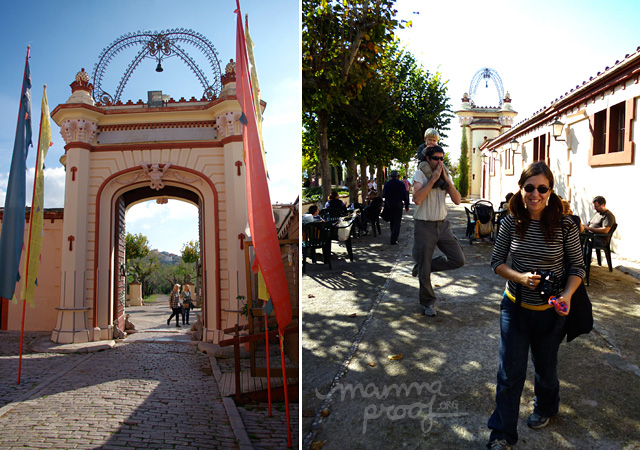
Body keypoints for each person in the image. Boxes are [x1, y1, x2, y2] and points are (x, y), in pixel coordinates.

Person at [487, 162, 586, 450]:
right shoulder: (510, 221)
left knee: (546, 368)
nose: (535, 194)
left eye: (542, 188)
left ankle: (545, 406)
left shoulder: (565, 224)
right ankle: (502, 435)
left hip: (550, 313)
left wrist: (566, 295)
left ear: (550, 191)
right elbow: (497, 263)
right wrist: (520, 277)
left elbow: (577, 268)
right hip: (515, 308)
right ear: (521, 189)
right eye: (529, 187)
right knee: (509, 373)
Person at [411, 136, 465, 317]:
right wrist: (433, 180)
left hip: (443, 225)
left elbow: (457, 200)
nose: (439, 162)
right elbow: (417, 199)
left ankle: (423, 267)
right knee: (425, 271)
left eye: (442, 158)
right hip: (424, 226)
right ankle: (428, 303)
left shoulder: (445, 174)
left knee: (458, 259)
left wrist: (447, 181)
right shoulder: (420, 174)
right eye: (436, 158)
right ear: (428, 159)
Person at [382, 170, 409, 245]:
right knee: (397, 221)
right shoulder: (401, 184)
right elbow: (405, 196)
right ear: (397, 176)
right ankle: (394, 238)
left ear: (390, 176)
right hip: (398, 204)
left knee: (392, 221)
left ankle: (393, 234)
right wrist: (407, 205)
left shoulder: (387, 184)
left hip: (389, 204)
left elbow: (383, 195)